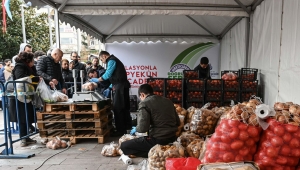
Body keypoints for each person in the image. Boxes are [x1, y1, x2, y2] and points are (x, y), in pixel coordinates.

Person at [120, 84, 180, 158]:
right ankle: (161, 151)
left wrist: (136, 128)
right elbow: (178, 122)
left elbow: (142, 129)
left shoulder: (144, 103)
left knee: (124, 146)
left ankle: (156, 154)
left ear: (142, 94)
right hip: (173, 138)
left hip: (158, 140)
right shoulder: (168, 101)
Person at [90, 51, 131, 136]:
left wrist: (98, 80)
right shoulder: (114, 60)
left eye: (102, 59)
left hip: (120, 87)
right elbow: (116, 75)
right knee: (124, 107)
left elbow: (108, 74)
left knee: (118, 108)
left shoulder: (111, 60)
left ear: (104, 56)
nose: (102, 61)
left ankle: (120, 130)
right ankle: (126, 127)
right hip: (121, 85)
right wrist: (111, 85)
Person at [9, 52, 40, 147]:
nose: (34, 62)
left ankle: (27, 137)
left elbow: (34, 76)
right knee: (22, 118)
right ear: (28, 60)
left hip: (28, 95)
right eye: (32, 60)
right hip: (20, 96)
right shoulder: (19, 66)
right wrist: (35, 78)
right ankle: (23, 138)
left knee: (28, 117)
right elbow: (20, 78)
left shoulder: (30, 67)